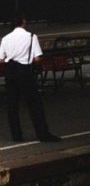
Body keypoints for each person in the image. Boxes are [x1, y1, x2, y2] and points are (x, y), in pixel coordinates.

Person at [0, 14, 60, 142]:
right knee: (34, 104)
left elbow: (1, 59)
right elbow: (38, 58)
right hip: (24, 71)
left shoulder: (5, 38)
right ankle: (43, 134)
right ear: (23, 22)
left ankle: (16, 135)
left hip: (10, 71)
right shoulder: (31, 37)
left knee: (12, 105)